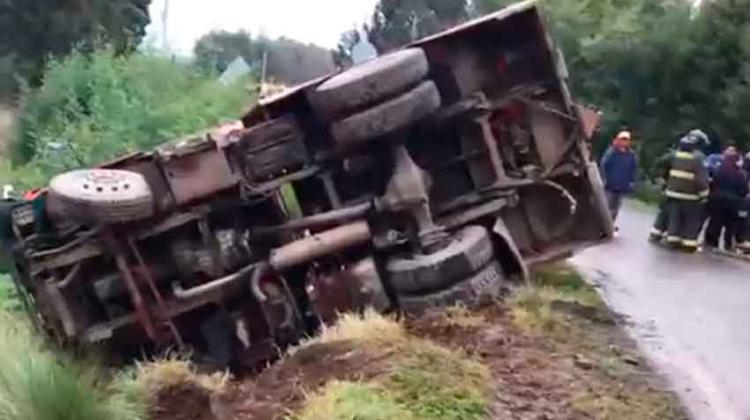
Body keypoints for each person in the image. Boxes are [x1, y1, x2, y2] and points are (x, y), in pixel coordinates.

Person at [650, 129, 710, 252]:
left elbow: (658, 164)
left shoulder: (675, 154)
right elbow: (701, 180)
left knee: (668, 216)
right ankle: (688, 245)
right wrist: (704, 195)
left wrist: (663, 179)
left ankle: (661, 236)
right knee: (691, 221)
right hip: (690, 198)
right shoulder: (699, 158)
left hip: (671, 193)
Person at [704, 153, 748, 251]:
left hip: (716, 200)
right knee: (731, 224)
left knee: (715, 222)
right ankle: (728, 244)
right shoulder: (740, 174)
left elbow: (712, 184)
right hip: (733, 202)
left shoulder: (719, 171)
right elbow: (744, 190)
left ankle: (711, 242)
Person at [600, 130, 638, 223]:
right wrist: (604, 178)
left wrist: (631, 182)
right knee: (606, 207)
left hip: (622, 186)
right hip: (610, 185)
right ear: (618, 140)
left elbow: (633, 169)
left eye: (626, 140)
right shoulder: (612, 152)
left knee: (616, 208)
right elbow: (603, 165)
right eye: (623, 139)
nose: (624, 142)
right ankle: (602, 225)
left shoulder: (631, 155)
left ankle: (610, 224)